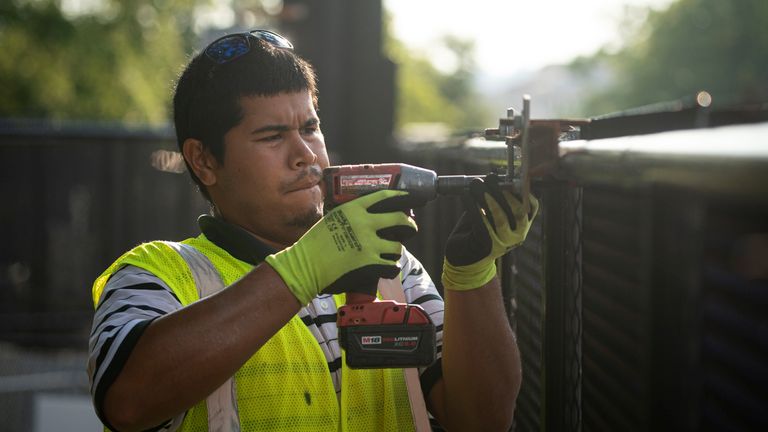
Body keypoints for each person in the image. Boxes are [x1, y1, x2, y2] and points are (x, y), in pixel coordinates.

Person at [87, 29, 539, 432]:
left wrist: (472, 275)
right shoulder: (157, 273)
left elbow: (484, 419)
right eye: (271, 136)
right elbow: (128, 402)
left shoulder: (393, 267)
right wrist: (306, 268)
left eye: (310, 126)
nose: (305, 154)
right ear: (204, 160)